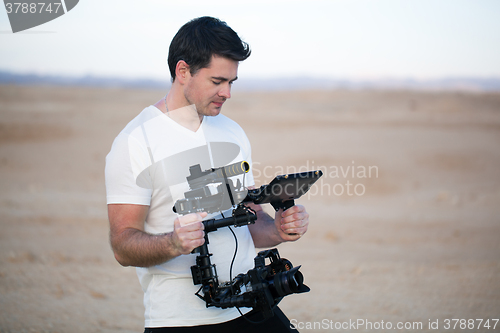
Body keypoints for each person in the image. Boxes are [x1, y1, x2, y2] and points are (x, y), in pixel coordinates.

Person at [105, 16, 309, 332]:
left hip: (253, 304)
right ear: (183, 71)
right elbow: (122, 245)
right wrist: (173, 242)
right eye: (217, 82)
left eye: (231, 82)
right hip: (182, 319)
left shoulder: (232, 131)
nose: (227, 93)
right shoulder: (136, 141)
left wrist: (278, 229)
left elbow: (249, 219)